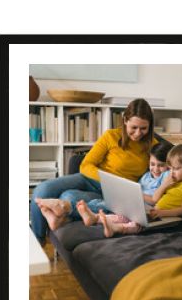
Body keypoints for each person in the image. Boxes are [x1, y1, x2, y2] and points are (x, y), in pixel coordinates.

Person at [31, 98, 157, 243]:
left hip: (115, 193)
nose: (138, 133)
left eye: (143, 128)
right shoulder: (111, 136)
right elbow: (86, 165)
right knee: (42, 189)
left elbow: (158, 174)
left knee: (69, 197)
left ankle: (59, 218)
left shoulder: (153, 147)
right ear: (125, 120)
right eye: (134, 127)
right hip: (90, 178)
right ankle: (37, 242)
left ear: (150, 126)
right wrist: (106, 180)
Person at [75, 144, 182, 238]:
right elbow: (157, 196)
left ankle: (117, 228)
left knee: (136, 224)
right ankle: (95, 218)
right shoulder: (172, 180)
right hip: (155, 212)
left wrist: (162, 213)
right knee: (124, 215)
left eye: (176, 169)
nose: (171, 172)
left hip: (169, 218)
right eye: (170, 168)